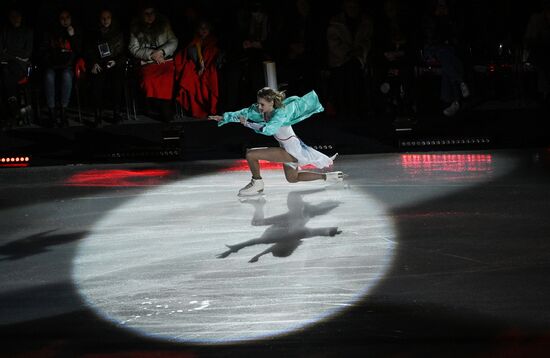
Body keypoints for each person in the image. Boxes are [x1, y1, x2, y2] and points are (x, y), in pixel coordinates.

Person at [208, 87, 344, 197]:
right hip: (286, 147)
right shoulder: (261, 111)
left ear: (271, 102)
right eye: (258, 103)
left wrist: (248, 124)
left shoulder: (280, 114)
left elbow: (268, 130)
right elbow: (243, 113)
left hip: (292, 150)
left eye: (262, 104)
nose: (259, 107)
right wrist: (224, 118)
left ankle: (257, 183)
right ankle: (328, 177)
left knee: (250, 154)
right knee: (292, 178)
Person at [128, 4, 178, 122]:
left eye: (152, 13)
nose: (150, 16)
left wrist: (161, 51)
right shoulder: (135, 27)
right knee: (148, 80)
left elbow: (173, 40)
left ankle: (165, 109)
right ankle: (157, 105)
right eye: (147, 13)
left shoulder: (164, 24)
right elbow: (133, 48)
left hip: (164, 60)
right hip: (148, 62)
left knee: (167, 78)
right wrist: (151, 54)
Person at [40, 9, 82, 127]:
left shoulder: (75, 30)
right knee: (48, 76)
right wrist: (50, 59)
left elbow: (79, 51)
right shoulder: (50, 32)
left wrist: (72, 36)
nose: (65, 20)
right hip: (52, 64)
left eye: (67, 17)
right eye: (62, 18)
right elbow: (43, 50)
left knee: (67, 76)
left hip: (67, 65)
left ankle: (64, 111)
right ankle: (52, 112)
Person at [85, 8, 126, 127]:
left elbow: (123, 52)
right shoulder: (93, 32)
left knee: (117, 81)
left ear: (112, 18)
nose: (105, 20)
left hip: (114, 63)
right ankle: (97, 115)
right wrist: (93, 62)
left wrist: (115, 61)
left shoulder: (118, 32)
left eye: (108, 17)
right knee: (96, 82)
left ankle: (116, 113)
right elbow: (88, 51)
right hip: (99, 63)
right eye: (103, 18)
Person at [175, 19, 220, 119]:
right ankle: (195, 110)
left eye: (206, 28)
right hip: (197, 66)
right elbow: (188, 53)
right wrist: (200, 65)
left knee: (210, 76)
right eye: (201, 28)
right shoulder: (194, 40)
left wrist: (205, 66)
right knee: (189, 75)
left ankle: (209, 108)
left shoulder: (214, 41)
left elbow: (213, 55)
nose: (203, 30)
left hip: (209, 66)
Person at [0, 8, 33, 128]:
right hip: (7, 66)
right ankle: (13, 110)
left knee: (7, 71)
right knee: (5, 71)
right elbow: (0, 53)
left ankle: (12, 111)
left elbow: (27, 53)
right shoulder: (5, 31)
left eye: (17, 15)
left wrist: (9, 53)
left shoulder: (28, 32)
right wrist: (16, 55)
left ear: (21, 16)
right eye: (12, 16)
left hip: (22, 67)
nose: (15, 19)